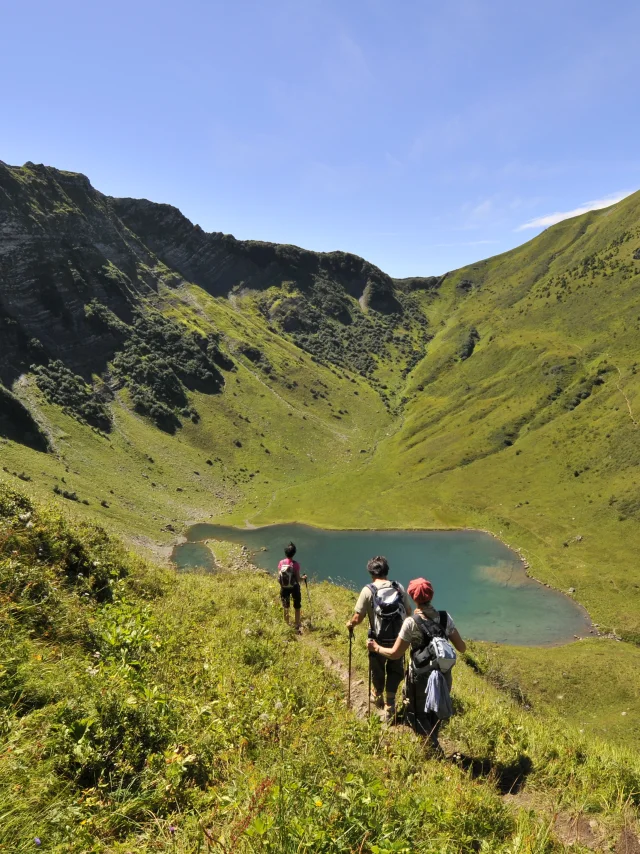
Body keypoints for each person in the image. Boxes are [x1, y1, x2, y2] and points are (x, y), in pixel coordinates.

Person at [367, 577, 466, 749]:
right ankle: (433, 739)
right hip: (444, 675)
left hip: (420, 678)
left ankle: (432, 748)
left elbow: (395, 654)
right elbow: (462, 647)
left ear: (413, 597)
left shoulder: (411, 623)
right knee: (436, 711)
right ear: (431, 595)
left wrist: (375, 648)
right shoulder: (445, 617)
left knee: (417, 713)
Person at [346, 556, 412, 723]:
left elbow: (358, 617)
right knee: (395, 670)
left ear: (370, 572)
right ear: (386, 571)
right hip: (398, 640)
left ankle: (377, 694)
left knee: (377, 669)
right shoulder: (398, 587)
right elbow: (409, 612)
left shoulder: (368, 590)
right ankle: (390, 704)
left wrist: (350, 624)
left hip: (377, 640)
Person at [278, 542, 307, 634]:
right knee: (297, 606)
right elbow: (298, 579)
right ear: (294, 553)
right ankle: (297, 624)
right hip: (294, 587)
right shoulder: (295, 564)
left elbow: (279, 576)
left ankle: (286, 624)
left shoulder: (281, 563)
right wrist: (304, 578)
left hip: (284, 587)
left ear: (285, 552)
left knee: (286, 606)